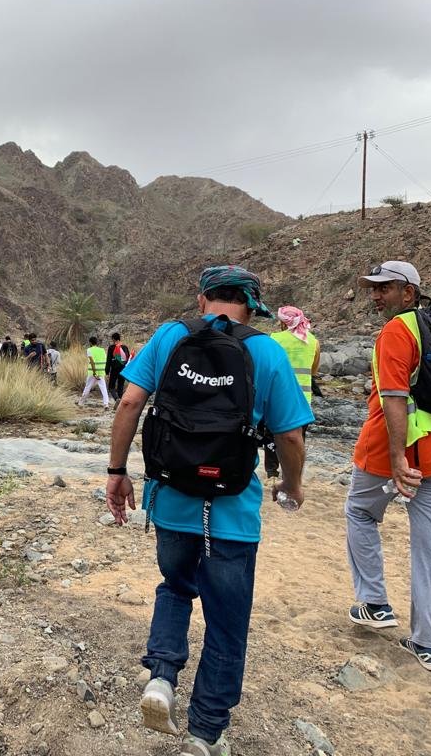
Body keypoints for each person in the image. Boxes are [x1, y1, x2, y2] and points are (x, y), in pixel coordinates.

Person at [105, 266, 312, 756]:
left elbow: (130, 403)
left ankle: (162, 678)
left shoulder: (169, 336)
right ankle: (204, 732)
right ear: (252, 307)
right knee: (227, 622)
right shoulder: (267, 351)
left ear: (202, 299)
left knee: (175, 586)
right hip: (232, 512)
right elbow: (290, 436)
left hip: (171, 499)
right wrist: (291, 486)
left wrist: (116, 471)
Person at [345, 261, 431, 673]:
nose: (376, 295)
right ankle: (428, 642)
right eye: (373, 288)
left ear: (409, 292)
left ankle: (374, 603)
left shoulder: (397, 330)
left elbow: (393, 396)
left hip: (396, 447)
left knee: (360, 511)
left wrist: (397, 457)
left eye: (384, 288)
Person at [261, 306, 319, 478]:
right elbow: (314, 370)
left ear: (282, 322)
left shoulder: (275, 339)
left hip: (278, 397)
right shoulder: (313, 341)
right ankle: (294, 474)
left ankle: (272, 472)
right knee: (299, 437)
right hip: (303, 399)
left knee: (271, 435)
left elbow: (267, 367)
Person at [78, 335, 111, 411]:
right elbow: (105, 360)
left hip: (93, 372)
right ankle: (106, 404)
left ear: (90, 343)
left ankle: (81, 403)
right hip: (101, 371)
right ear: (97, 342)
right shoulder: (102, 350)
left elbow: (92, 362)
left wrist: (94, 373)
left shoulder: (89, 350)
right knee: (103, 388)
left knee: (87, 387)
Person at [106, 331, 132, 405]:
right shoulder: (125, 347)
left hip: (114, 370)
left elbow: (108, 361)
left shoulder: (111, 348)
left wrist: (107, 372)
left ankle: (117, 399)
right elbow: (128, 359)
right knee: (120, 386)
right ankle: (120, 404)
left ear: (113, 339)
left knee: (111, 387)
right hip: (123, 369)